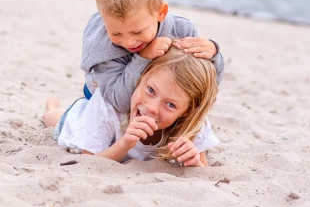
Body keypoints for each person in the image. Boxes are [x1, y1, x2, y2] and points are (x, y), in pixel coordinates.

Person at [80, 0, 224, 144]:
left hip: (154, 100)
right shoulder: (102, 47)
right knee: (70, 122)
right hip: (103, 96)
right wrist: (143, 57)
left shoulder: (182, 30)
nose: (129, 42)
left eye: (138, 31)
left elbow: (206, 84)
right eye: (116, 34)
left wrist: (213, 53)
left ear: (161, 13)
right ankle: (53, 111)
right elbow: (120, 101)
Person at [44, 46, 218, 166]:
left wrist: (193, 161)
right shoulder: (108, 106)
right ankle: (51, 108)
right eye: (151, 90)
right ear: (141, 77)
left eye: (170, 104)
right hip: (79, 119)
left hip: (96, 122)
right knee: (54, 118)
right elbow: (89, 162)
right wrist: (125, 144)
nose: (152, 108)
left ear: (187, 111)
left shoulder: (193, 122)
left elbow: (203, 169)